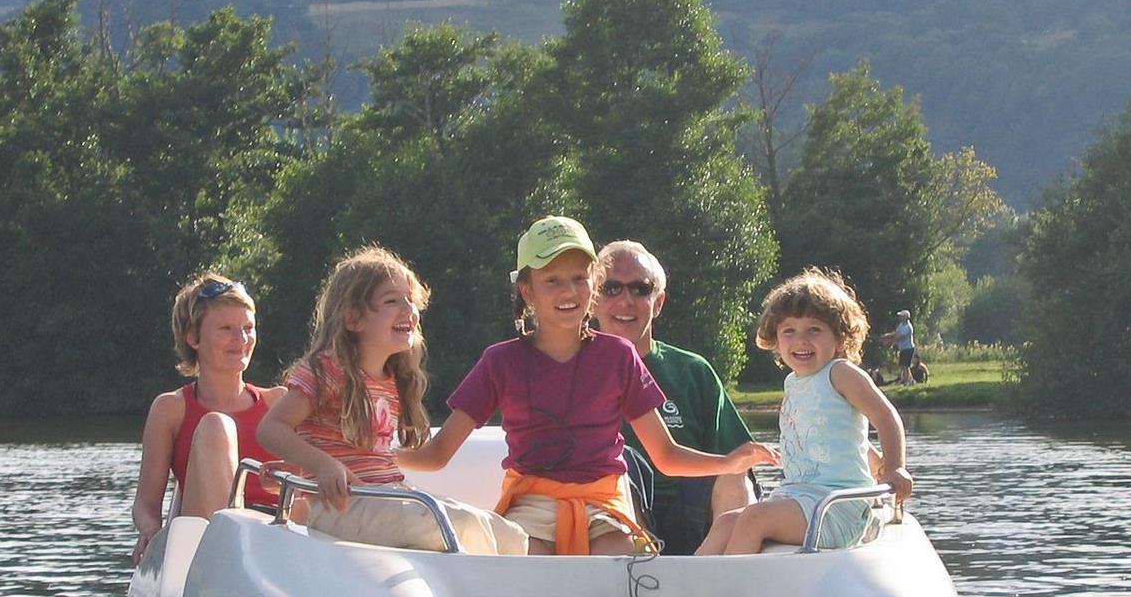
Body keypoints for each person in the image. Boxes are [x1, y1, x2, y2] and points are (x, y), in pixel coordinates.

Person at [403, 216, 777, 556]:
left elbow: (664, 454)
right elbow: (437, 455)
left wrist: (730, 461)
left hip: (604, 499)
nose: (568, 292)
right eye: (552, 281)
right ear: (527, 292)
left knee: (615, 568)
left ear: (592, 285)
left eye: (579, 278)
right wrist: (367, 457)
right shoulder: (500, 361)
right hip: (533, 500)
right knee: (532, 565)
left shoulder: (619, 356)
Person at [257, 246, 527, 554]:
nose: (408, 310)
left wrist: (307, 462)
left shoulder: (390, 379)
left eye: (411, 300)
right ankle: (479, 595)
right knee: (461, 525)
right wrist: (321, 465)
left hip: (387, 497)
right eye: (392, 301)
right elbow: (271, 428)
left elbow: (364, 450)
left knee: (510, 535)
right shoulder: (327, 369)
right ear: (353, 318)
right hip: (345, 507)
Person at [698, 269, 912, 555]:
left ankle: (733, 594)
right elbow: (841, 433)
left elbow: (886, 417)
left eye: (814, 329)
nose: (801, 340)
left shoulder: (841, 372)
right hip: (798, 496)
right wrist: (876, 463)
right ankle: (688, 591)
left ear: (839, 338)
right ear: (776, 339)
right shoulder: (793, 382)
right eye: (789, 331)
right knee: (727, 521)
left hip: (837, 506)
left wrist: (895, 466)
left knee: (754, 518)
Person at [594, 240, 756, 554]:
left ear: (658, 302)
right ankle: (644, 572)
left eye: (640, 289)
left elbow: (739, 455)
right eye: (611, 288)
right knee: (617, 471)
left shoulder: (693, 370)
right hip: (616, 511)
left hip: (694, 512)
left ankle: (723, 577)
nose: (626, 300)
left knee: (734, 475)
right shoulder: (573, 372)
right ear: (593, 300)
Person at [131, 274, 286, 562]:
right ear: (193, 338)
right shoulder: (171, 408)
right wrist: (150, 531)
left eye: (248, 328)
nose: (241, 340)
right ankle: (231, 556)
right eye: (226, 329)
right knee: (217, 426)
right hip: (206, 543)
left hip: (275, 538)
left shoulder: (278, 401)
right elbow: (146, 504)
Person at [880, 309, 918, 385]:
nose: (900, 317)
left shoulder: (908, 327)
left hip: (908, 348)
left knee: (905, 365)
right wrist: (886, 335)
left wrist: (888, 341)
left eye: (901, 316)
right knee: (903, 365)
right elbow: (896, 333)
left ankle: (908, 381)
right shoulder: (901, 325)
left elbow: (899, 337)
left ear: (906, 317)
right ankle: (911, 380)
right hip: (903, 348)